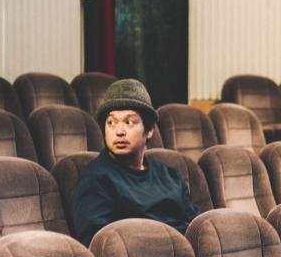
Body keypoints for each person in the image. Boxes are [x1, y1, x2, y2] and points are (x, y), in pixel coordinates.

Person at [72, 78, 198, 246]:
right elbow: (99, 243)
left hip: (185, 255)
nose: (119, 131)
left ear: (150, 129)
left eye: (129, 122)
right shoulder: (95, 179)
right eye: (111, 122)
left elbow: (197, 230)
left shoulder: (170, 176)